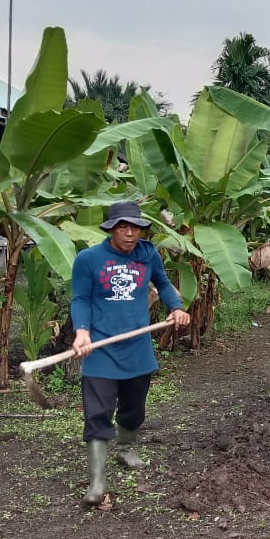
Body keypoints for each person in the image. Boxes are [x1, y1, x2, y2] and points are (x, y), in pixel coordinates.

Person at [71, 200, 191, 505]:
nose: (129, 233)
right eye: (123, 227)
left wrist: (176, 307)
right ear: (111, 229)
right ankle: (97, 483)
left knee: (134, 408)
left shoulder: (147, 254)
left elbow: (162, 284)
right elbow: (81, 299)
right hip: (100, 349)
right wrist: (82, 331)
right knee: (97, 413)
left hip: (137, 348)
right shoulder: (89, 259)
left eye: (135, 227)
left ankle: (125, 447)